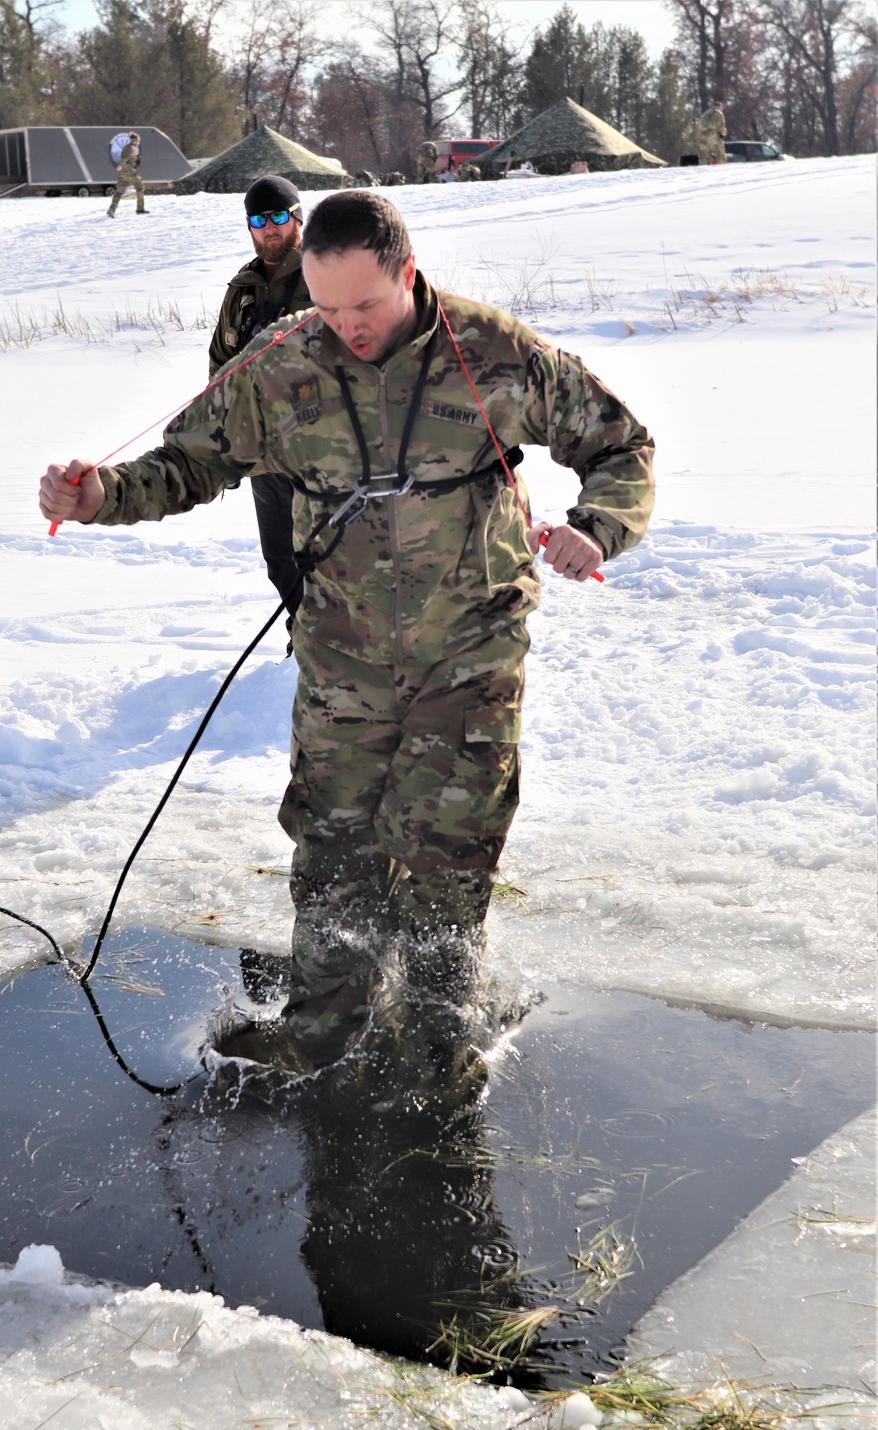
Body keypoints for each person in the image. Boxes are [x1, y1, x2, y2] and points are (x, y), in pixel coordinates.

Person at [40, 192, 655, 1072]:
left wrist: (598, 526)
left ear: (407, 272)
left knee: (447, 856)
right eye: (326, 307)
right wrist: (98, 495)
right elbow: (188, 462)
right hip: (343, 655)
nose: (345, 327)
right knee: (333, 851)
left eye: (363, 306)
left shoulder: (492, 353)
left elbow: (622, 445)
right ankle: (321, 1032)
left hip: (470, 649)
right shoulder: (283, 360)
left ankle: (442, 1040)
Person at [207, 175, 314, 636]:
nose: (269, 228)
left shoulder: (325, 273)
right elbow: (219, 366)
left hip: (324, 452)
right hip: (264, 455)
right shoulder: (242, 288)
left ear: (296, 218)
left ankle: (339, 652)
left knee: (333, 555)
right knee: (280, 559)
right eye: (258, 219)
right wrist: (223, 436)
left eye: (277, 217)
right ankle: (305, 635)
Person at [107, 132, 148, 217]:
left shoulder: (126, 147)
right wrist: (120, 165)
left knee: (119, 192)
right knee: (140, 188)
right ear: (135, 141)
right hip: (129, 172)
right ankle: (140, 209)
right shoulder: (132, 148)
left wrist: (136, 160)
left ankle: (111, 210)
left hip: (122, 174)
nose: (139, 143)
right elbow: (124, 158)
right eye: (138, 141)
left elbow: (128, 159)